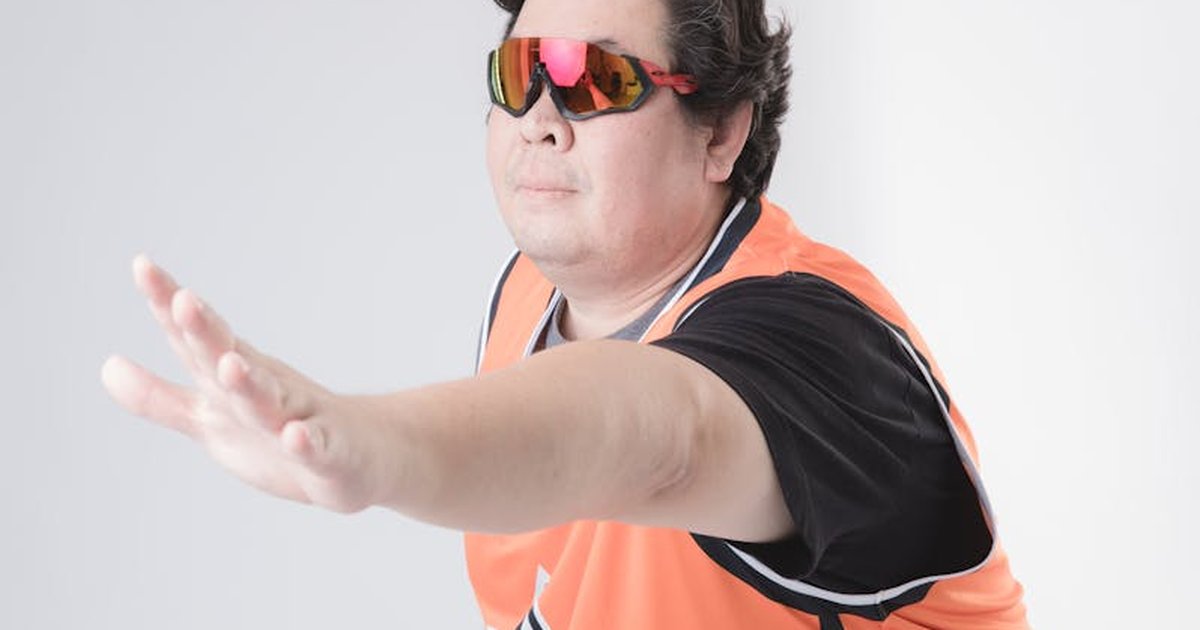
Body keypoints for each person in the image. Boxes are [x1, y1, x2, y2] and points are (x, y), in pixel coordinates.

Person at [101, 0, 1030, 627]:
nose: (542, 115)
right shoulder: (530, 295)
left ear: (720, 131)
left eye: (594, 79)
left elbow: (662, 436)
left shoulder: (820, 347)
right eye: (522, 70)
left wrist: (372, 447)